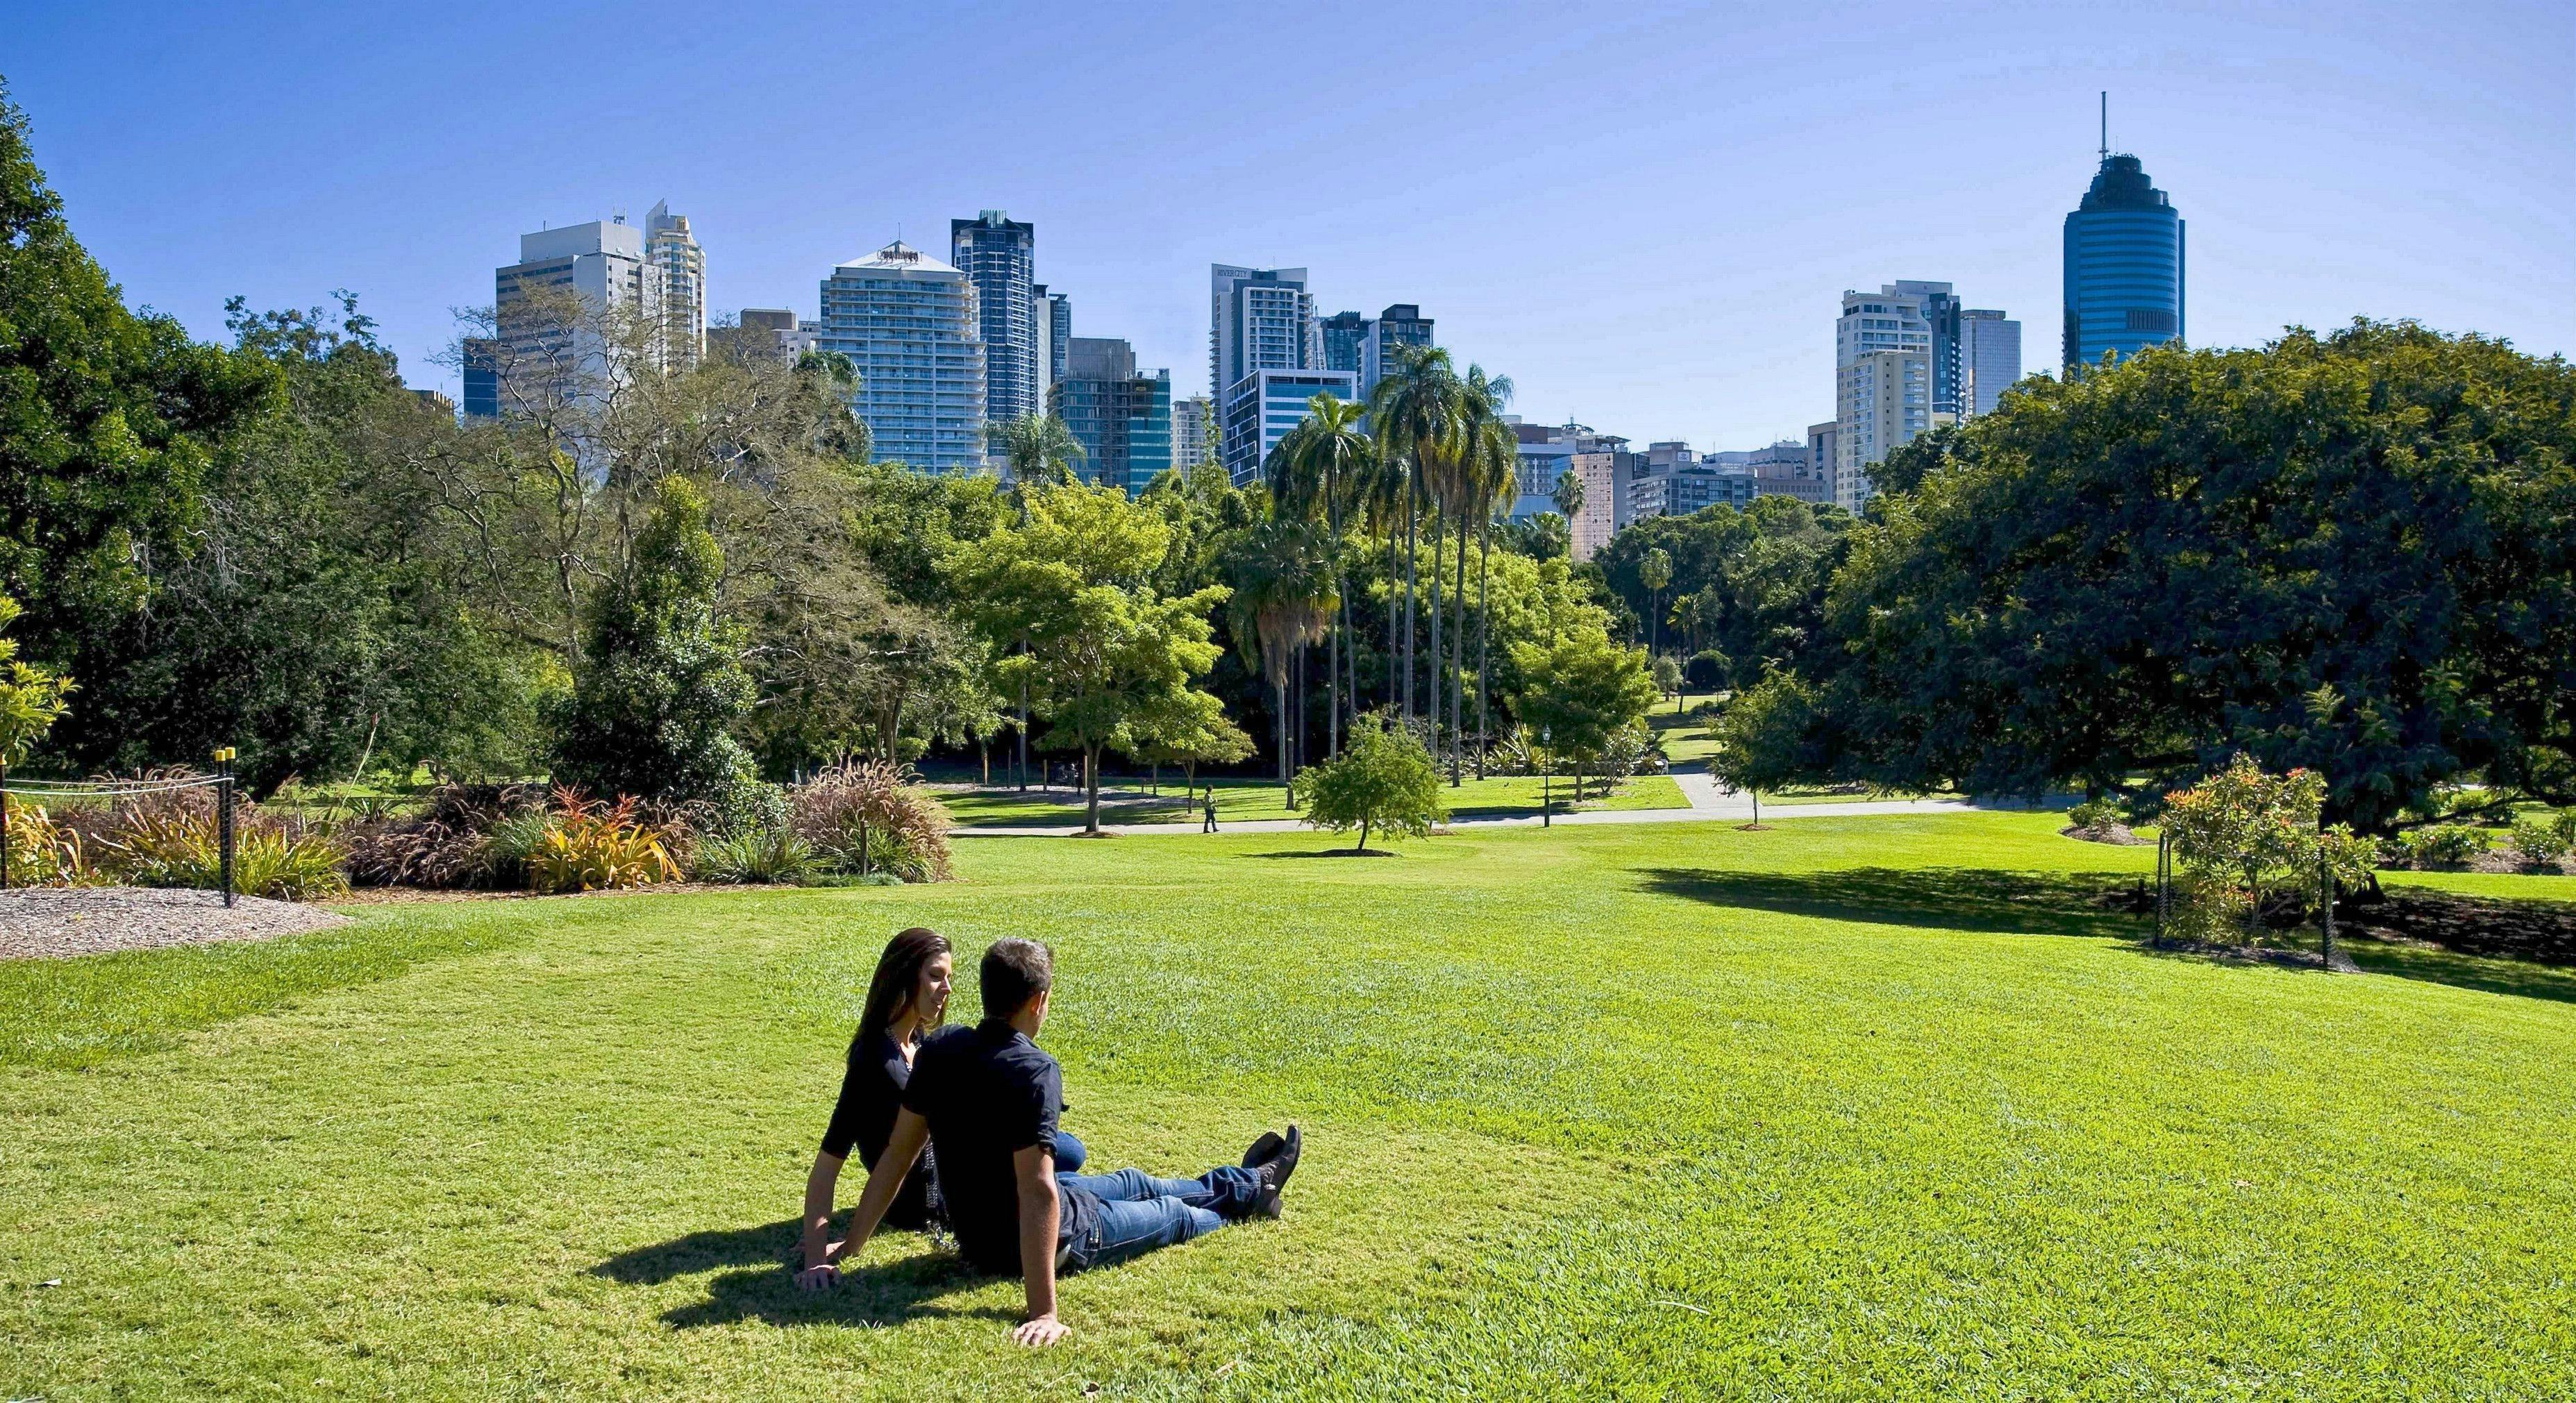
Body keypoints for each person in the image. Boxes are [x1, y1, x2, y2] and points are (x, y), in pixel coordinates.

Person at [798, 937, 1299, 1349]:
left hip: (1007, 1228)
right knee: (1174, 1214)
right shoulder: (1035, 1069)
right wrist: (1044, 1311)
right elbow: (1037, 1190)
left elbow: (896, 1156)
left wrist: (853, 1243)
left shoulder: (941, 1049)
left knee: (1136, 1181)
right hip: (1057, 1241)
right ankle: (1251, 1193)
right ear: (1038, 1001)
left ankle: (1246, 1181)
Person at [798, 929, 1092, 1265]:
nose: (947, 988)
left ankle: (1066, 1190)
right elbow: (828, 1164)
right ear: (904, 976)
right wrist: (816, 1253)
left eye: (949, 977)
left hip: (954, 1163)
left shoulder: (921, 1042)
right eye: (936, 976)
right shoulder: (873, 1061)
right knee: (1057, 1158)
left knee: (1069, 1150)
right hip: (929, 1199)